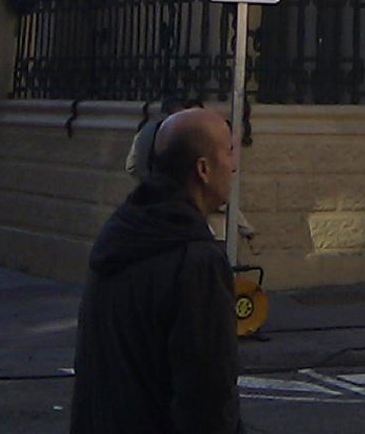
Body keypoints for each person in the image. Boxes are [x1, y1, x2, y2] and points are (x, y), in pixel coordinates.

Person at [71, 107, 243, 434]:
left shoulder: (120, 232)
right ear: (203, 169)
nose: (234, 165)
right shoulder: (197, 261)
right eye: (229, 151)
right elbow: (207, 397)